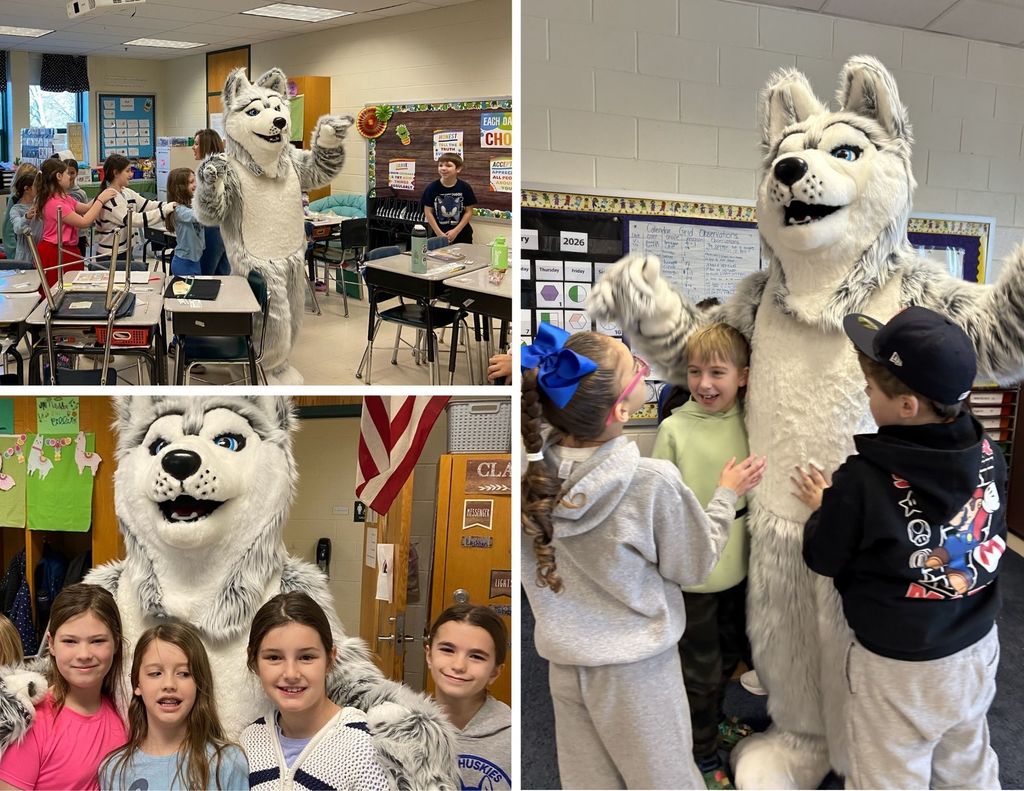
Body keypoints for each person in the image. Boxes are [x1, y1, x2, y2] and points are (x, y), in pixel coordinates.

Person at [521, 321, 765, 790]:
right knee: (665, 778)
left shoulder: (531, 482)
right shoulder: (650, 482)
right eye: (632, 365)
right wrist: (725, 496)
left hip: (565, 666)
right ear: (621, 407)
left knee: (589, 781)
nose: (641, 365)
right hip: (637, 672)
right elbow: (694, 565)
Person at [795, 306, 1005, 790]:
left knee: (888, 774)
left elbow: (824, 557)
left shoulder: (860, 481)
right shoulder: (990, 453)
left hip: (898, 667)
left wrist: (825, 508)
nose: (867, 396)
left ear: (907, 406)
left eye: (871, 390)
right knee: (968, 764)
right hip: (976, 647)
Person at [652, 323, 755, 790]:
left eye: (717, 372)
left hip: (740, 568)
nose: (704, 383)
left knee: (730, 658)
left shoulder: (752, 421)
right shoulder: (673, 429)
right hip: (693, 579)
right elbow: (662, 509)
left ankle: (713, 723)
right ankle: (701, 751)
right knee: (700, 671)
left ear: (743, 376)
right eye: (695, 372)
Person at [241, 592, 391, 791]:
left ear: (330, 659)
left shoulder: (364, 745)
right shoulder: (249, 741)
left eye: (306, 657)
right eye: (274, 658)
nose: (291, 674)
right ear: (254, 661)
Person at [0, 583, 128, 790]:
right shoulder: (31, 721)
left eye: (97, 641)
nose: (84, 654)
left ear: (116, 642)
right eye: (70, 641)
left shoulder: (126, 712)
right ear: (51, 644)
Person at [100, 621, 248, 790]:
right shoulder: (114, 770)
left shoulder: (227, 762)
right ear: (137, 684)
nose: (169, 684)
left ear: (199, 683)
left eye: (184, 674)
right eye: (155, 673)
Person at [426, 605, 511, 789]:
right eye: (447, 650)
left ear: (495, 672)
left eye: (476, 656)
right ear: (429, 656)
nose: (459, 666)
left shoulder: (512, 736)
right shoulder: (401, 731)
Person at [33, 159, 117, 287]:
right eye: (67, 173)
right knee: (57, 288)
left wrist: (104, 192)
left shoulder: (64, 198)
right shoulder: (54, 203)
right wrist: (100, 200)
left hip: (68, 250)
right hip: (55, 252)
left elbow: (87, 208)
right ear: (59, 176)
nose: (70, 177)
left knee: (72, 285)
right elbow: (84, 222)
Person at [93, 154, 175, 270]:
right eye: (127, 171)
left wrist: (171, 205)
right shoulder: (111, 198)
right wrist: (164, 211)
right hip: (111, 255)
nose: (131, 174)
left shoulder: (126, 192)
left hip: (125, 251)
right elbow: (134, 220)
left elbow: (149, 205)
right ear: (116, 173)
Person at [192, 129, 231, 276]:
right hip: (225, 228)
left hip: (213, 228)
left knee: (205, 275)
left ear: (206, 146)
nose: (193, 147)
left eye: (196, 144)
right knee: (222, 276)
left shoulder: (212, 171)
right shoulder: (222, 166)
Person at [421, 153, 477, 244]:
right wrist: (439, 233)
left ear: (458, 169)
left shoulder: (465, 187)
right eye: (440, 165)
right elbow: (428, 211)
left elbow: (469, 211)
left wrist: (456, 231)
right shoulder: (432, 188)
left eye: (448, 165)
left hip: (462, 234)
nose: (443, 168)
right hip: (438, 234)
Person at [164, 168, 205, 276]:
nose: (195, 184)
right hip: (184, 263)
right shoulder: (179, 210)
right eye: (191, 182)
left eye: (195, 180)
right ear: (180, 188)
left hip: (195, 260)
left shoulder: (190, 206)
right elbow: (201, 215)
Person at [3, 164, 40, 261]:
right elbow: (8, 229)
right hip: (19, 251)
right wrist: (13, 252)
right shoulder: (15, 200)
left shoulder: (36, 200)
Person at [64, 159, 89, 257]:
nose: (69, 176)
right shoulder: (58, 193)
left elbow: (86, 214)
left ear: (77, 173)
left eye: (72, 173)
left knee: (79, 260)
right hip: (64, 235)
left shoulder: (81, 193)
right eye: (67, 173)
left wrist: (85, 235)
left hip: (79, 235)